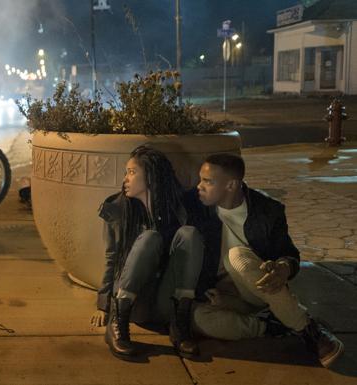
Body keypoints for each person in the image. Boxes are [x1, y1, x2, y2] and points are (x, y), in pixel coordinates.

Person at [191, 153, 344, 368]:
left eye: (208, 181)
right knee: (199, 319)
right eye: (201, 179)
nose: (199, 186)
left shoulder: (267, 211)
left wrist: (282, 267)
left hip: (257, 287)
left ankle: (310, 331)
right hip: (225, 296)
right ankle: (272, 326)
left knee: (236, 255)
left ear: (231, 185)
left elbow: (290, 255)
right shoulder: (196, 208)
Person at [90, 145, 204, 361]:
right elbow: (111, 258)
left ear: (151, 177)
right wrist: (104, 305)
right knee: (151, 237)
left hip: (165, 301)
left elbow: (192, 256)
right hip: (135, 303)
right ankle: (118, 323)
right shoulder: (117, 209)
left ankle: (180, 324)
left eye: (132, 172)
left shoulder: (180, 208)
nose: (125, 179)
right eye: (126, 172)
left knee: (189, 234)